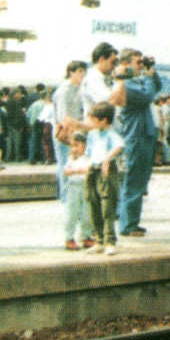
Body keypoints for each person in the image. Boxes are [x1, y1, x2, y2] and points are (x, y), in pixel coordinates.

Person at [110, 49, 161, 238]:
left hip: (143, 135)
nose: (141, 66)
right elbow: (147, 96)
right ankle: (128, 224)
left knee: (140, 182)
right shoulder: (126, 85)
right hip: (136, 136)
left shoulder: (137, 81)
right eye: (138, 62)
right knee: (133, 181)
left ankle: (132, 222)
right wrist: (148, 77)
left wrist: (151, 71)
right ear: (125, 64)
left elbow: (156, 86)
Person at [84, 102, 123, 256]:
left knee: (107, 207)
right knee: (93, 204)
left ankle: (110, 241)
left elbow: (119, 145)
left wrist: (107, 159)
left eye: (94, 120)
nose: (91, 123)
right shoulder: (92, 134)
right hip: (93, 170)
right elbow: (88, 153)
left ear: (104, 120)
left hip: (106, 171)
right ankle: (99, 240)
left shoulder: (111, 133)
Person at [52, 61, 88, 200]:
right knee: (65, 165)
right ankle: (65, 198)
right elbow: (63, 117)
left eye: (83, 71)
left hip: (76, 132)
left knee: (72, 164)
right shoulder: (64, 90)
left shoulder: (79, 89)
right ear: (70, 72)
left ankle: (69, 197)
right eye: (79, 71)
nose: (82, 74)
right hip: (65, 134)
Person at [62, 132, 94, 251]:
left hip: (86, 186)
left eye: (77, 145)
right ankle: (69, 238)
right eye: (72, 146)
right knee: (72, 213)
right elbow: (66, 171)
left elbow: (89, 170)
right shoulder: (70, 158)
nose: (74, 149)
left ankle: (86, 236)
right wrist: (77, 170)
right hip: (73, 187)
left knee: (87, 213)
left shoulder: (88, 158)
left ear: (84, 145)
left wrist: (76, 170)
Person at [5, 86, 28, 164]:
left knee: (9, 142)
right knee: (17, 142)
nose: (20, 95)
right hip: (16, 125)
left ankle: (8, 157)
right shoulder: (17, 102)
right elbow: (19, 115)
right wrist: (20, 125)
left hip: (9, 124)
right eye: (19, 93)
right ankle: (17, 157)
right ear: (15, 94)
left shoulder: (8, 102)